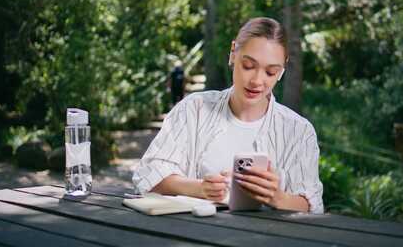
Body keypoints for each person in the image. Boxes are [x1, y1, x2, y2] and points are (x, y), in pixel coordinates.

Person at [132, 17, 324, 213]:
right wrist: (200, 188)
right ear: (233, 53)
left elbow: (313, 205)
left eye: (270, 72)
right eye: (248, 66)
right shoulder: (193, 109)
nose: (257, 81)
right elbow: (147, 175)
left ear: (282, 69)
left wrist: (278, 198)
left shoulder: (299, 131)